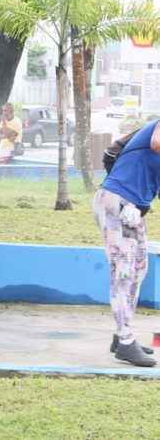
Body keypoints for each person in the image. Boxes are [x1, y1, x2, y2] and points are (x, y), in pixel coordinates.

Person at [93, 120, 160, 368]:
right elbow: (156, 143)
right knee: (123, 273)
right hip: (116, 202)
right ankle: (125, 340)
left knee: (138, 270)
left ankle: (120, 336)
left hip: (132, 209)